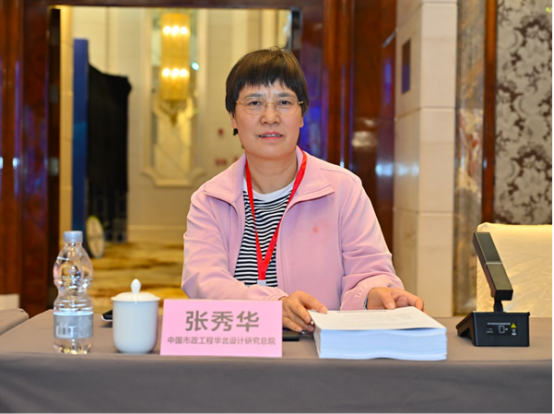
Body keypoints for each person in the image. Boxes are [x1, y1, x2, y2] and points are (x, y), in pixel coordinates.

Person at [182, 47, 424, 333]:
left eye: (284, 102)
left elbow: (370, 273)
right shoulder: (210, 199)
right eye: (254, 103)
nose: (270, 117)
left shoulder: (343, 189)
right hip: (238, 349)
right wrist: (273, 305)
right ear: (233, 117)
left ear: (301, 115)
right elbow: (203, 282)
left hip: (320, 352)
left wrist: (373, 295)